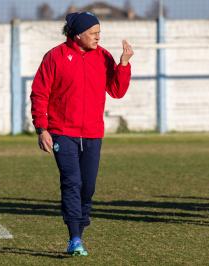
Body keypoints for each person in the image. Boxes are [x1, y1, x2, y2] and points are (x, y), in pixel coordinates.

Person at [30, 11, 133, 256]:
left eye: (99, 32)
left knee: (88, 187)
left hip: (93, 134)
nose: (98, 37)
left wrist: (124, 64)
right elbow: (39, 93)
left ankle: (79, 229)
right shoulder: (54, 57)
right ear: (77, 35)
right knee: (72, 183)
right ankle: (74, 237)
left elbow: (117, 91)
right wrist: (42, 129)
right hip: (61, 133)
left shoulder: (104, 56)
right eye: (93, 33)